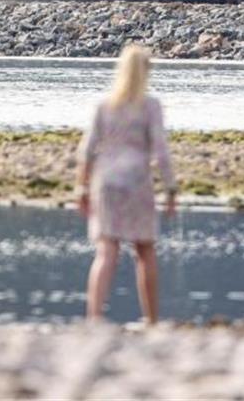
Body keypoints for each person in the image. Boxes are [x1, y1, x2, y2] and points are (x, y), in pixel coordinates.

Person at [75, 44, 177, 324]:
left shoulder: (103, 105)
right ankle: (151, 319)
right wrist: (170, 188)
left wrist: (81, 188)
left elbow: (86, 150)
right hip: (136, 182)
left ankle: (94, 317)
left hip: (105, 183)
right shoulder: (150, 105)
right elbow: (161, 150)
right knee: (145, 250)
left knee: (106, 250)